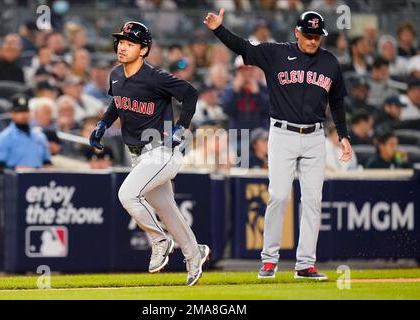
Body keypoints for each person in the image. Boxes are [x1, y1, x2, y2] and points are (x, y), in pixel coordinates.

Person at [205, 9, 352, 280]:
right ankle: (269, 260)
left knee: (312, 201)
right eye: (308, 35)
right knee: (279, 196)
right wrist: (218, 30)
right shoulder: (276, 54)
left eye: (317, 36)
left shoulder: (330, 62)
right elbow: (243, 47)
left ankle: (305, 264)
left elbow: (338, 101)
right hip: (282, 134)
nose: (312, 41)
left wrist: (343, 135)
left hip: (315, 136)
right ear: (297, 32)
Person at [88, 21, 210, 286]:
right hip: (139, 156)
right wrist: (102, 124)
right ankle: (194, 253)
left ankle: (159, 241)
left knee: (127, 194)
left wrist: (182, 126)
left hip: (162, 150)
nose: (123, 46)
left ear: (144, 49)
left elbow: (190, 93)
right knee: (168, 211)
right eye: (121, 41)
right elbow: (116, 103)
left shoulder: (154, 77)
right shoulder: (116, 75)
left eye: (130, 43)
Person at [0, 94, 51, 170]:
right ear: (11, 114)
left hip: (37, 179)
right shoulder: (4, 137)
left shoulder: (40, 136)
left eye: (26, 111)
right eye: (19, 112)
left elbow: (47, 163)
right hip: (14, 180)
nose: (23, 115)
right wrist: (15, 169)